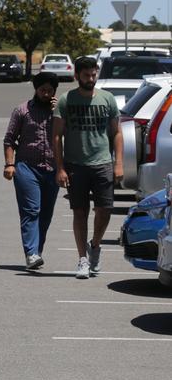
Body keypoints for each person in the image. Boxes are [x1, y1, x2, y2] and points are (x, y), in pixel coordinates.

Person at [53, 56, 123, 279]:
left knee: (105, 210)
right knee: (80, 212)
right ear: (77, 76)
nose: (91, 79)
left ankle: (96, 245)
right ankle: (82, 259)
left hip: (102, 163)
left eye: (94, 75)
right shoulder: (67, 100)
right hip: (76, 165)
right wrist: (60, 168)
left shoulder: (107, 99)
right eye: (86, 75)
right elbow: (56, 136)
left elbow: (117, 133)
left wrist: (118, 162)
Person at [3, 72, 60, 270]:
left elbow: (67, 135)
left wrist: (57, 112)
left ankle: (37, 251)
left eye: (49, 91)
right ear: (36, 89)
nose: (45, 94)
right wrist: (9, 164)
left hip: (52, 169)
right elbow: (9, 139)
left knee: (46, 214)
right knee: (31, 210)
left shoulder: (59, 111)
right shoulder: (22, 111)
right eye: (42, 90)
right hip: (26, 168)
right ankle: (31, 253)